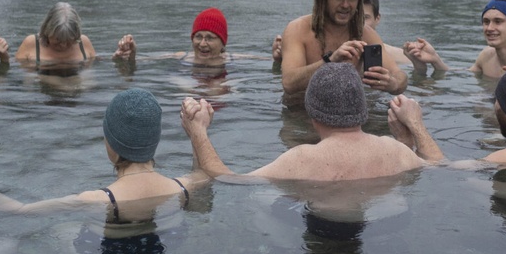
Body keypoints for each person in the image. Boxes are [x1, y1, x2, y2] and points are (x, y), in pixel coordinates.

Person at [181, 63, 439, 181]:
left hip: (320, 229)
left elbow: (228, 179)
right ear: (363, 112)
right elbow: (441, 166)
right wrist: (415, 127)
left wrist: (198, 132)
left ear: (312, 116)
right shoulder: (395, 151)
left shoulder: (300, 159)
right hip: (382, 227)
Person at [0, 88, 213, 218]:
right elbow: (205, 174)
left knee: (65, 233)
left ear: (111, 145)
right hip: (162, 251)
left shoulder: (94, 200)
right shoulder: (185, 187)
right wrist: (197, 132)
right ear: (155, 140)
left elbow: (19, 210)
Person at [276, 0, 406, 97]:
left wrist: (393, 83)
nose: (345, 4)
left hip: (351, 111)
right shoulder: (298, 29)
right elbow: (289, 83)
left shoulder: (365, 34)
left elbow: (400, 76)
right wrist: (330, 61)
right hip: (301, 112)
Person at [403, 0, 506, 78]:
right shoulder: (487, 56)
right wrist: (435, 59)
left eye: (498, 21)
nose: (490, 28)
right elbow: (458, 76)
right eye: (486, 22)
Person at [113, 7, 235, 68]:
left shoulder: (231, 60)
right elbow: (140, 62)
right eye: (198, 37)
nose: (202, 44)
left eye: (210, 38)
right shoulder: (181, 57)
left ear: (222, 42)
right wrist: (130, 55)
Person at [15, 1, 96, 68]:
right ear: (47, 31)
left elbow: (89, 72)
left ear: (76, 35)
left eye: (68, 40)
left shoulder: (83, 42)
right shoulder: (31, 43)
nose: (63, 45)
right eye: (58, 39)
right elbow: (27, 80)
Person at [361, 0, 411, 67]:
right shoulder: (339, 52)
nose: (361, 24)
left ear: (377, 19)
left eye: (365, 18)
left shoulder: (398, 56)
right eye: (356, 17)